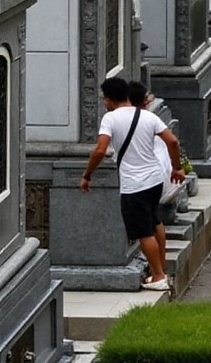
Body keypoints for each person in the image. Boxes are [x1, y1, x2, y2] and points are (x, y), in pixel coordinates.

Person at [81, 77, 185, 291]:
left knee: (143, 231)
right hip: (154, 179)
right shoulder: (148, 116)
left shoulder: (110, 119)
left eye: (104, 99)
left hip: (134, 183)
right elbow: (172, 141)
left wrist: (87, 174)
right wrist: (177, 167)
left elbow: (100, 149)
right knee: (154, 221)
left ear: (108, 99)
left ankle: (157, 276)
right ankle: (161, 268)